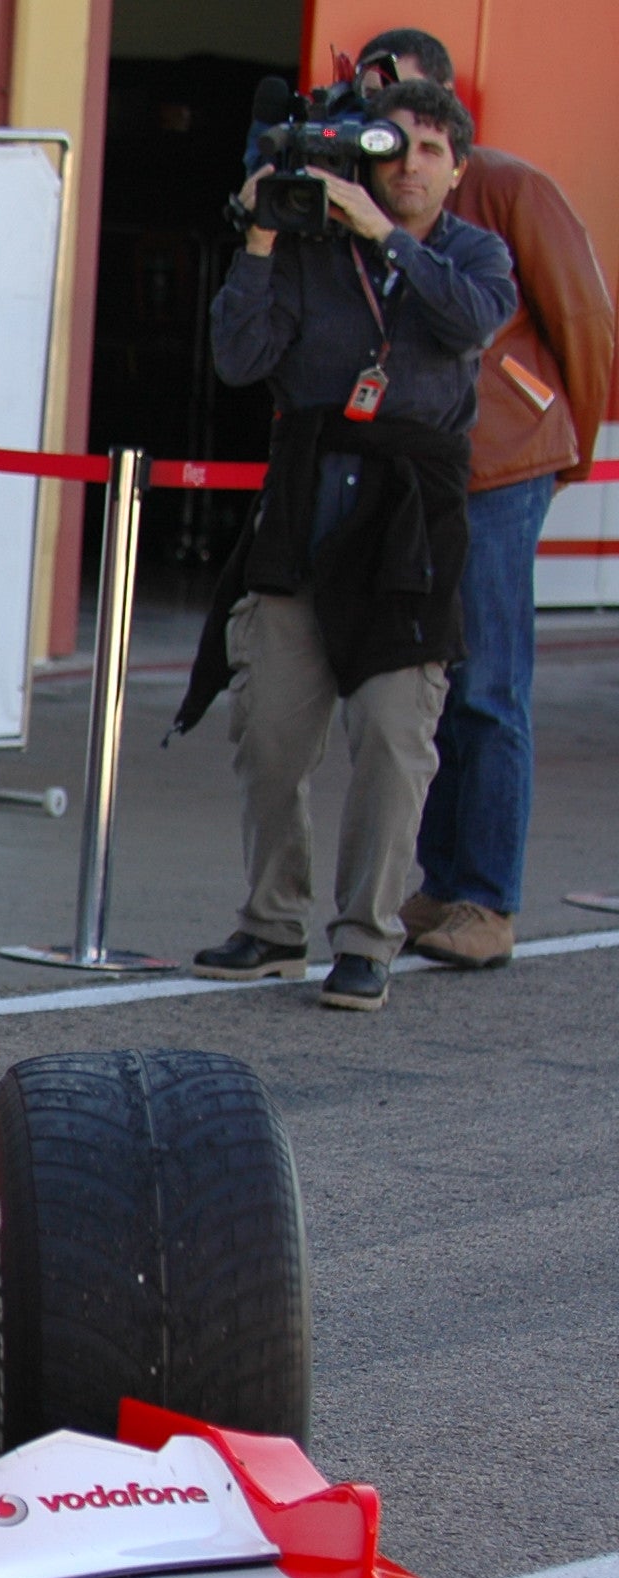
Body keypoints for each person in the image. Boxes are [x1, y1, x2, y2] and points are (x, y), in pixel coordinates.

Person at [174, 78, 515, 1013]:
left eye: (428, 153)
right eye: (389, 148)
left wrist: (381, 233)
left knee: (396, 745)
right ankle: (272, 923)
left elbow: (471, 322)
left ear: (457, 170)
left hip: (409, 529)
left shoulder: (473, 252)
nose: (406, 167)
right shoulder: (305, 244)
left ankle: (367, 938)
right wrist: (259, 237)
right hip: (305, 504)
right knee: (271, 734)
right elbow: (240, 359)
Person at [352, 31, 615, 972]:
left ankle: (489, 897)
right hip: (422, 462)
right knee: (439, 678)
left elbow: (583, 316)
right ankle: (446, 876)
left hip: (501, 469)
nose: (395, 136)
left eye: (404, 100)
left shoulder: (505, 184)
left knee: (492, 684)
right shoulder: (360, 191)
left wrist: (562, 441)